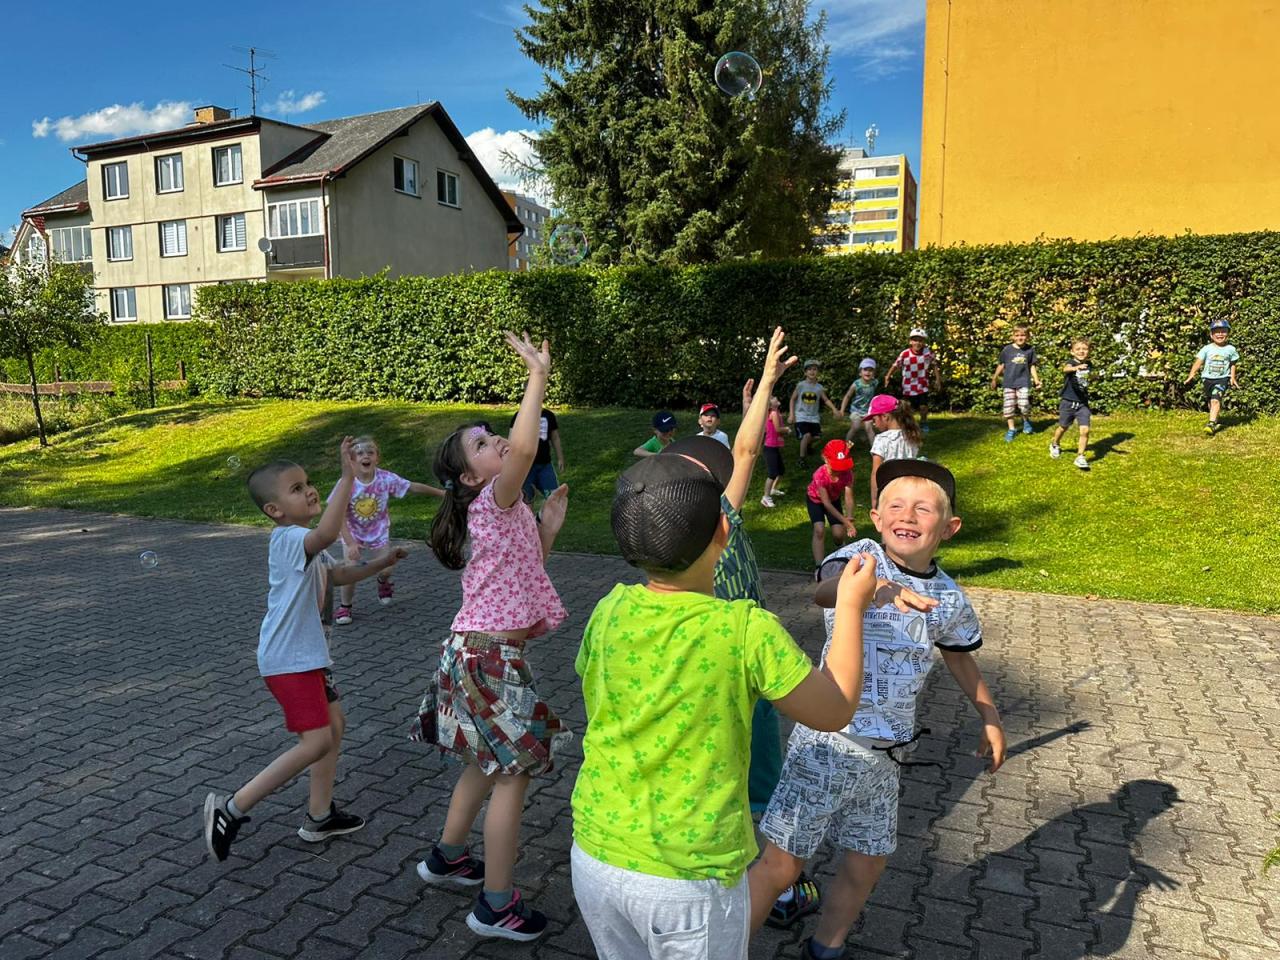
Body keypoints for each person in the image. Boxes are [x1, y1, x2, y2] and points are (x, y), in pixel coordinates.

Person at [570, 442, 884, 960]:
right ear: (724, 530)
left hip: (596, 855)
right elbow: (834, 710)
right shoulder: (744, 630)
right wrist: (850, 607)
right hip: (690, 879)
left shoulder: (609, 610)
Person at [749, 460, 1007, 960]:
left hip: (886, 757)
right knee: (781, 865)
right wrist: (873, 591)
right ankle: (727, 946)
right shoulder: (861, 559)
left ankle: (826, 948)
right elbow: (824, 591)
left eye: (923, 508)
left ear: (949, 528)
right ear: (876, 517)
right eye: (896, 505)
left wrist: (990, 717)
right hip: (827, 745)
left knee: (868, 861)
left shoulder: (948, 596)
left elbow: (960, 657)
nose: (907, 514)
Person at [416, 332, 573, 942]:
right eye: (482, 445)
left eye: (491, 435)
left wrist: (548, 530)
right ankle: (496, 907)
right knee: (513, 773)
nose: (497, 442)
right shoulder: (494, 501)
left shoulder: (508, 512)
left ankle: (448, 857)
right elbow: (527, 448)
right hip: (487, 660)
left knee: (485, 765)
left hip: (474, 655)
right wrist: (537, 375)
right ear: (469, 477)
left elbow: (522, 578)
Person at [202, 439, 408, 862]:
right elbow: (328, 532)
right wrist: (348, 478)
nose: (310, 490)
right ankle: (231, 808)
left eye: (309, 482)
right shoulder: (287, 539)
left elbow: (337, 575)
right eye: (297, 488)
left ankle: (320, 815)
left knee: (335, 726)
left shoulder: (307, 545)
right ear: (274, 510)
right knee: (315, 742)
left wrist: (381, 563)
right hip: (288, 661)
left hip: (309, 659)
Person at [329, 435, 443, 626]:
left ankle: (383, 581)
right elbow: (337, 515)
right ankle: (345, 606)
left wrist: (441, 493)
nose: (366, 456)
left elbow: (412, 486)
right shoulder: (347, 483)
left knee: (387, 568)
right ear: (352, 460)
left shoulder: (385, 479)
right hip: (353, 534)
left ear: (377, 457)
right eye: (360, 453)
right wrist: (350, 543)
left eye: (370, 452)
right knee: (350, 571)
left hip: (379, 533)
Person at [806, 439, 856, 572]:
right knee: (819, 530)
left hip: (834, 500)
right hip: (816, 501)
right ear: (825, 459)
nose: (839, 471)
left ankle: (841, 549)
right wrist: (845, 521)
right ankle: (819, 566)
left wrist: (849, 518)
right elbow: (826, 504)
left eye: (842, 467)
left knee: (838, 535)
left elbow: (849, 497)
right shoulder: (820, 475)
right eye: (836, 467)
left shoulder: (848, 474)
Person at [1183, 319, 1240, 435]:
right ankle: (1215, 419)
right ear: (1211, 334)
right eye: (1216, 332)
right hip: (1207, 379)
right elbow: (1198, 362)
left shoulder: (1231, 349)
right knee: (1211, 401)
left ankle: (1211, 423)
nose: (1220, 334)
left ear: (1228, 333)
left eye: (1223, 331)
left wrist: (1232, 377)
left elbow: (1233, 363)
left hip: (1222, 379)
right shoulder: (1207, 349)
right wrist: (1191, 374)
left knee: (1215, 399)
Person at [867, 395, 924, 508]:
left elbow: (876, 473)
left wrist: (874, 500)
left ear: (885, 416)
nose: (874, 424)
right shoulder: (910, 436)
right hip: (909, 489)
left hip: (888, 491)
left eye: (874, 420)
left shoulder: (881, 439)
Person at [991, 325, 1042, 441]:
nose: (1020, 338)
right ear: (1013, 336)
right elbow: (1001, 364)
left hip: (1023, 382)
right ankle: (1012, 429)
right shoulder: (1007, 350)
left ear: (1027, 336)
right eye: (1017, 335)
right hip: (1009, 383)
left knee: (1024, 405)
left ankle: (1026, 421)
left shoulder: (1030, 350)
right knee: (1008, 406)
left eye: (1023, 335)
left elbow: (1032, 366)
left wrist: (1036, 380)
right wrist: (994, 378)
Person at [1049, 339, 1093, 471]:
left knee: (1085, 430)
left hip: (1083, 403)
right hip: (1068, 401)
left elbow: (1088, 378)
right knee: (1063, 427)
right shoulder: (1071, 362)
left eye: (1084, 349)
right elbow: (1066, 369)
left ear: (1089, 351)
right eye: (1078, 349)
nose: (1081, 351)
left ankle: (1080, 456)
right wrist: (1075, 368)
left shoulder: (1089, 364)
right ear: (1072, 352)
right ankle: (1055, 444)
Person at [789, 359, 842, 468]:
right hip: (801, 416)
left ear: (818, 372)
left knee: (816, 437)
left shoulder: (819, 387)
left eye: (814, 369)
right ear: (805, 372)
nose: (812, 371)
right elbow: (792, 399)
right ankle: (801, 459)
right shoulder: (801, 385)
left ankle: (807, 446)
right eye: (809, 369)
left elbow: (825, 399)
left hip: (814, 417)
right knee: (806, 435)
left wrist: (834, 409)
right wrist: (791, 414)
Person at [885, 328, 942, 430]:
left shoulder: (927, 353)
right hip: (908, 385)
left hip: (922, 384)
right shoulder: (905, 354)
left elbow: (934, 365)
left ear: (924, 342)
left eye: (920, 341)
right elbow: (895, 365)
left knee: (923, 406)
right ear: (910, 342)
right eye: (915, 340)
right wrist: (888, 376)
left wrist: (938, 380)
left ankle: (924, 423)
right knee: (907, 407)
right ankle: (907, 424)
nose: (918, 343)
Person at [509, 407, 566, 502]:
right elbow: (511, 440)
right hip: (525, 468)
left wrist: (560, 458)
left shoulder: (548, 415)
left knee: (554, 497)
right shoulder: (519, 415)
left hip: (545, 465)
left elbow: (555, 438)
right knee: (526, 500)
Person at [840, 358, 879, 448]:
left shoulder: (874, 382)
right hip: (856, 410)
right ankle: (846, 447)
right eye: (865, 370)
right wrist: (842, 410)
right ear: (860, 372)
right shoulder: (856, 384)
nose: (868, 372)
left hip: (868, 410)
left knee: (869, 428)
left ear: (874, 373)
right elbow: (847, 396)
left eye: (870, 370)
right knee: (856, 427)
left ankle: (874, 450)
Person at [761, 396, 787, 508]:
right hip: (770, 448)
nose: (776, 398)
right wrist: (787, 429)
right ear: (770, 405)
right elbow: (778, 429)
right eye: (773, 398)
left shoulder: (776, 413)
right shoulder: (774, 413)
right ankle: (765, 497)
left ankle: (773, 489)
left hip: (774, 447)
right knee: (772, 474)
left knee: (781, 471)